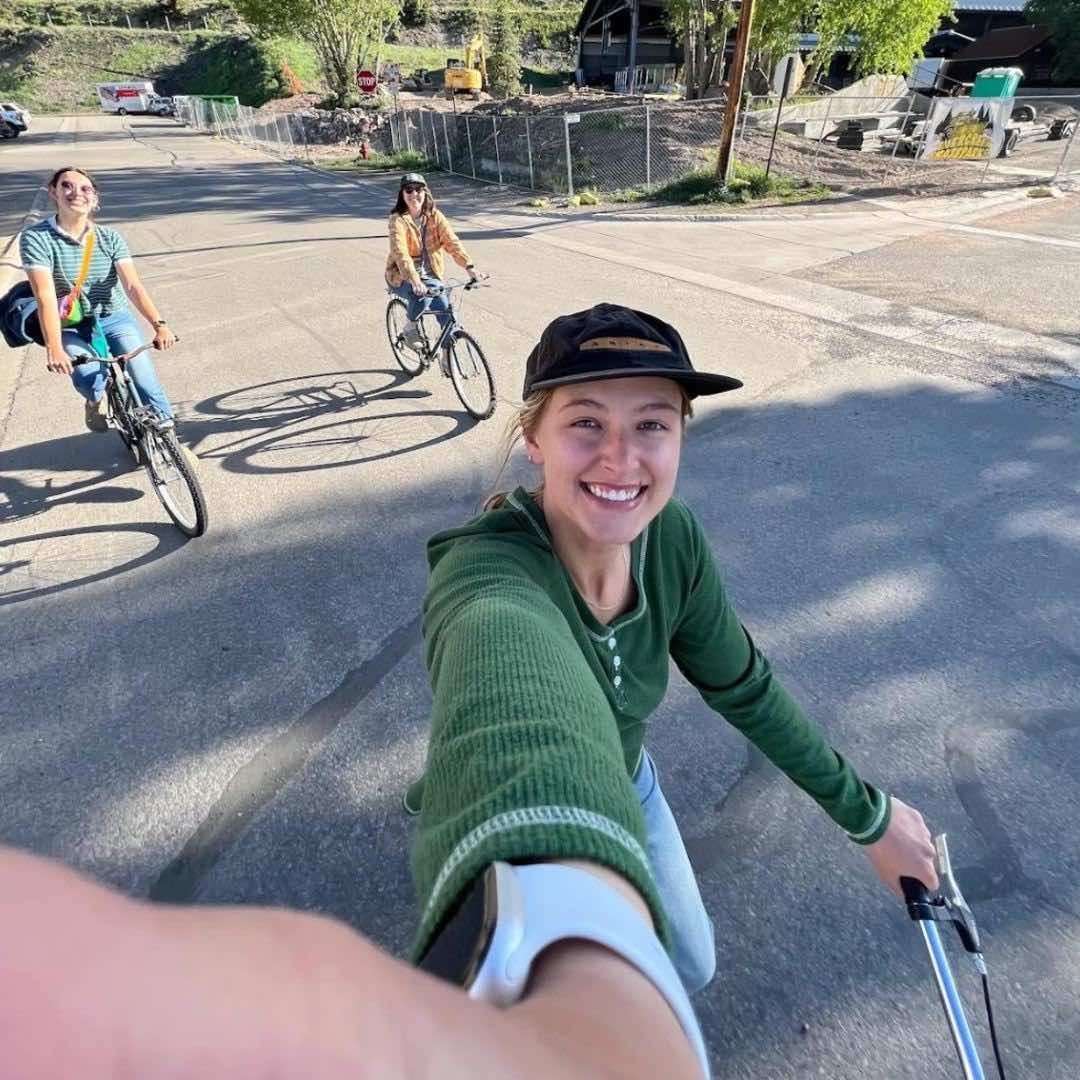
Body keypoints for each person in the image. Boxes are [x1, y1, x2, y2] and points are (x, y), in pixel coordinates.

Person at [406, 302, 939, 995]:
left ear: (680, 438)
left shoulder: (673, 538)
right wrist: (536, 877)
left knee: (690, 963)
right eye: (586, 422)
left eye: (651, 423)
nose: (620, 457)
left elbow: (742, 685)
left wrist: (867, 815)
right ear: (534, 437)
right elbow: (506, 676)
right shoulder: (487, 572)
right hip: (517, 782)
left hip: (629, 777)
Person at [20, 167, 178, 433]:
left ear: (94, 198)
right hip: (70, 324)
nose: (76, 193)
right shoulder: (36, 238)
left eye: (85, 189)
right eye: (67, 186)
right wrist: (54, 347)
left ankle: (170, 438)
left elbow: (132, 285)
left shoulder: (109, 237)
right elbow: (45, 296)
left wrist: (159, 324)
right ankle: (95, 400)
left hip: (114, 315)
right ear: (53, 192)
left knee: (143, 375)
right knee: (88, 375)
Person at [384, 172, 480, 376]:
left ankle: (446, 356)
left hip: (431, 276)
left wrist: (469, 266)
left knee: (447, 313)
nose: (414, 194)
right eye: (408, 190)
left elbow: (451, 242)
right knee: (420, 294)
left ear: (425, 193)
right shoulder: (397, 220)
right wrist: (414, 279)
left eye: (418, 190)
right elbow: (400, 253)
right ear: (402, 194)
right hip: (402, 276)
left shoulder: (435, 216)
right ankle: (410, 328)